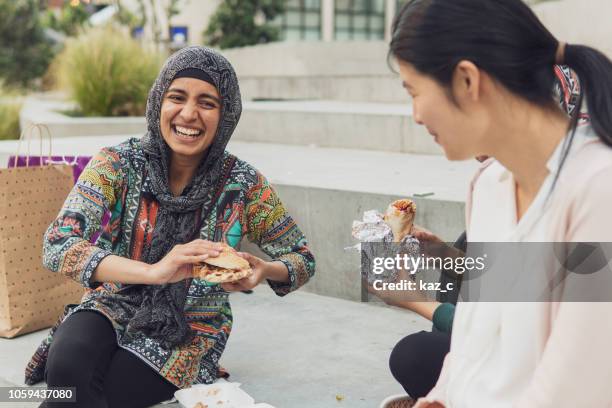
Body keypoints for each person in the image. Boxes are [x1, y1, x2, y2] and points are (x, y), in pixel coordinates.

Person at [25, 46, 315, 408]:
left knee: (109, 392)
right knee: (67, 370)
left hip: (192, 327)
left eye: (207, 103)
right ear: (158, 102)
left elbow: (302, 258)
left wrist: (262, 270)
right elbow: (58, 244)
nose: (189, 114)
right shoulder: (117, 163)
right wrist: (154, 271)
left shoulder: (245, 185)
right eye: (177, 97)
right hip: (111, 302)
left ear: (226, 115)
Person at [387, 0, 612, 406]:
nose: (416, 116)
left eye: (415, 92)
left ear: (467, 81)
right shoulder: (489, 185)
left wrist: (414, 297)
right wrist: (438, 397)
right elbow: (476, 342)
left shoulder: (599, 191)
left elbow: (571, 393)